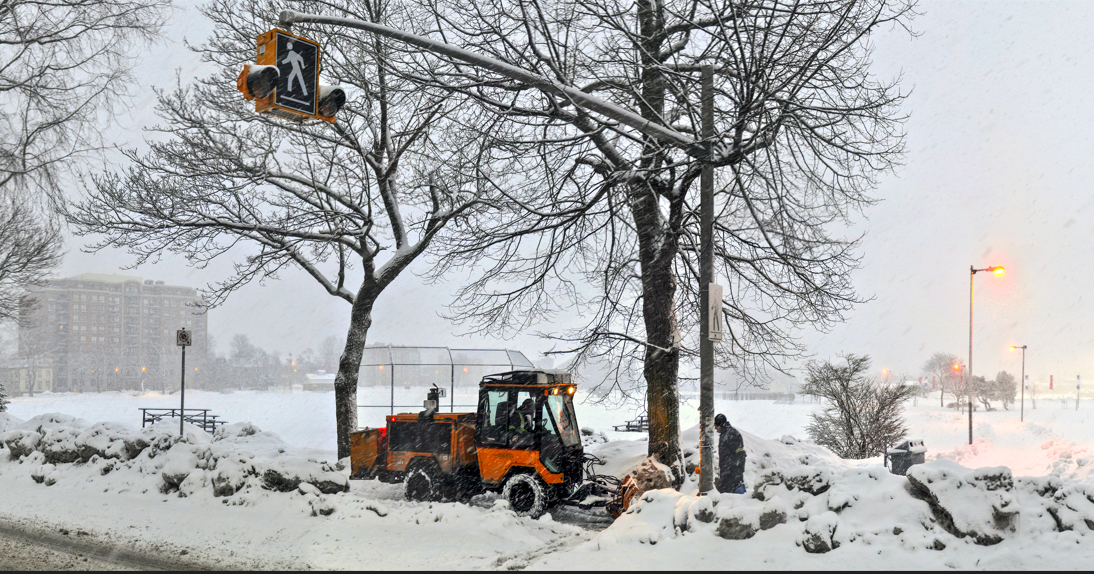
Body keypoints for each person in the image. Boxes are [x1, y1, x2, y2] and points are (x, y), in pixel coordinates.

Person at [715, 413, 746, 494]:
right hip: (726, 471)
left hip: (731, 473)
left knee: (727, 496)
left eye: (716, 426)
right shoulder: (725, 433)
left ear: (721, 424)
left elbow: (740, 454)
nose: (715, 428)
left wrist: (738, 473)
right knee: (726, 496)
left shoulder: (731, 434)